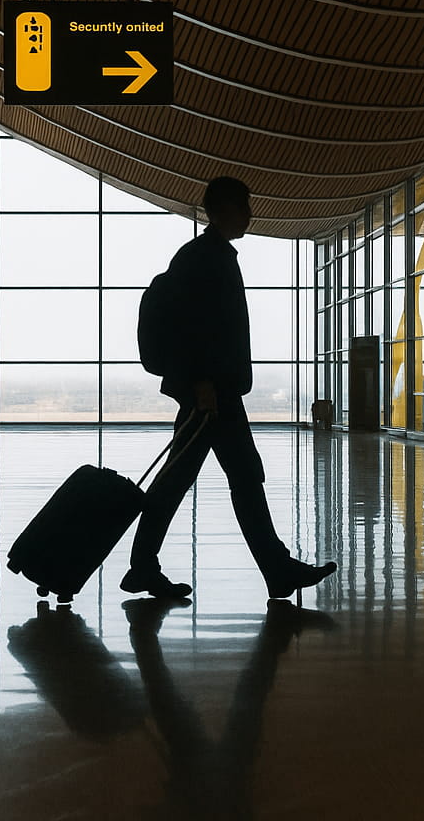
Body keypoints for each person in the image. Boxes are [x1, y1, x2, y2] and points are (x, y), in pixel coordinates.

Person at [123, 176, 337, 601]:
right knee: (231, 477)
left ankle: (147, 565)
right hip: (211, 393)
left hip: (214, 391)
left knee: (207, 479)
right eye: (244, 207)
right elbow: (194, 328)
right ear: (223, 210)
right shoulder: (205, 258)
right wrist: (202, 382)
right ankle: (272, 569)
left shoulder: (208, 256)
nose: (250, 214)